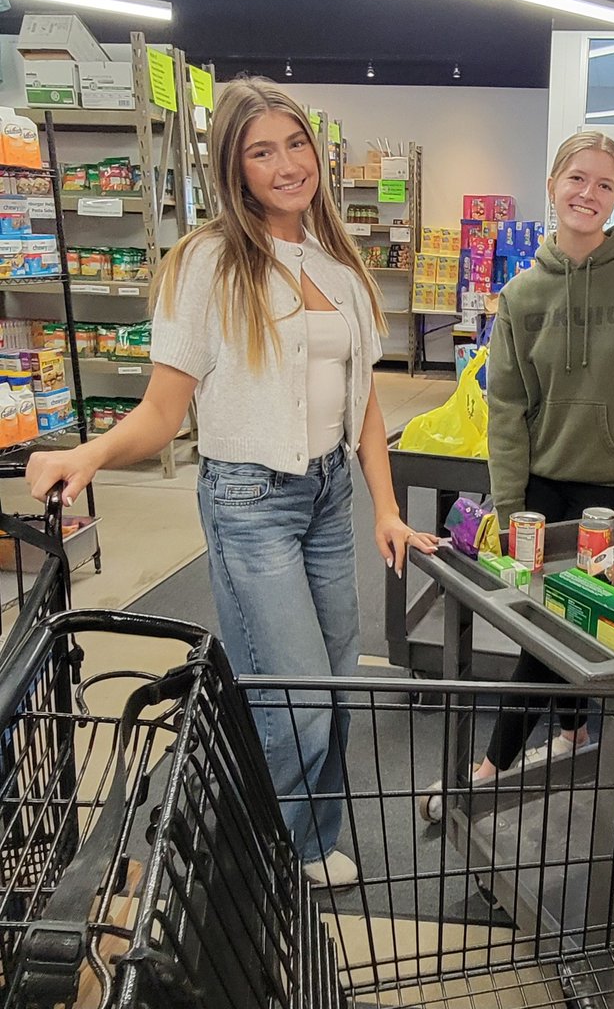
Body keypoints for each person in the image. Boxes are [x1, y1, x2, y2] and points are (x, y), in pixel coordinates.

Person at [25, 76, 437, 886]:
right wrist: (89, 454)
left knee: (335, 684)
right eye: (261, 151)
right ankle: (256, 863)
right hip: (252, 501)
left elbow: (364, 403)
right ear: (233, 167)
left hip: (327, 498)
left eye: (295, 144)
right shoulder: (206, 264)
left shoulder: (340, 261)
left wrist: (385, 507)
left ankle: (309, 842)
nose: (286, 164)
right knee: (293, 698)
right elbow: (159, 411)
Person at [421, 130, 614, 822]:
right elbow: (508, 411)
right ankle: (574, 729)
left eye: (604, 184)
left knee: (570, 633)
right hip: (541, 491)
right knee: (545, 631)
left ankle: (491, 765)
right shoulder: (519, 294)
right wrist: (511, 507)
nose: (588, 194)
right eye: (577, 178)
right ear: (552, 183)